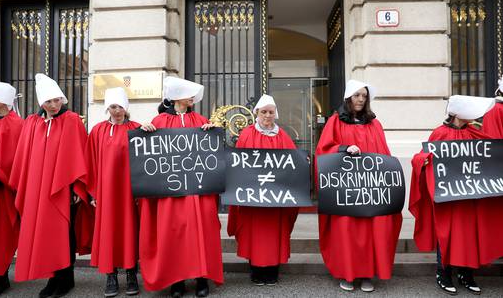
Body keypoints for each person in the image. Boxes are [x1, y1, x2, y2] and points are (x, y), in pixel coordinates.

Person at [9, 74, 93, 298]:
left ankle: (65, 278)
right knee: (45, 234)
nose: (54, 105)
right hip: (38, 190)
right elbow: (24, 157)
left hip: (63, 190)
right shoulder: (32, 123)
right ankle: (53, 277)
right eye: (48, 101)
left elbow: (79, 154)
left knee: (64, 235)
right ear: (41, 103)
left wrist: (76, 187)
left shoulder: (72, 120)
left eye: (57, 100)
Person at [409, 95, 503, 295]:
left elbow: (491, 153)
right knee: (446, 236)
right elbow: (420, 156)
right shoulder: (439, 133)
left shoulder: (473, 132)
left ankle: (466, 275)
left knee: (468, 236)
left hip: (467, 199)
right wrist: (424, 160)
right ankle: (443, 274)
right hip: (447, 200)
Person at [139, 77, 223, 297]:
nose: (193, 98)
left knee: (201, 233)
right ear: (177, 97)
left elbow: (212, 154)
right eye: (189, 94)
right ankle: (176, 280)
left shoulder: (201, 119)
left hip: (198, 191)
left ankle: (202, 277)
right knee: (173, 235)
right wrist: (145, 130)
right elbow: (149, 153)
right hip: (171, 193)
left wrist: (212, 132)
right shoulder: (159, 121)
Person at [315, 80, 402, 292]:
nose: (361, 99)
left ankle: (367, 275)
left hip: (370, 191)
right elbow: (323, 150)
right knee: (346, 231)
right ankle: (347, 273)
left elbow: (383, 154)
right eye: (357, 95)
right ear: (348, 98)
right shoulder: (335, 122)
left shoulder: (375, 124)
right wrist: (344, 148)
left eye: (364, 96)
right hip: (346, 192)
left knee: (373, 231)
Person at [227, 94, 298, 286]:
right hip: (254, 200)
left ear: (276, 114)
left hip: (275, 199)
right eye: (264, 112)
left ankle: (273, 270)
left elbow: (293, 162)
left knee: (274, 234)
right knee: (255, 234)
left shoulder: (282, 135)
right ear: (257, 113)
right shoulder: (247, 134)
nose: (267, 115)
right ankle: (256, 270)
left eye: (271, 112)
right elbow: (238, 164)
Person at [86, 88, 140, 297]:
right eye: (112, 107)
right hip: (106, 192)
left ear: (125, 108)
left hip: (129, 191)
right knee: (109, 231)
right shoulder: (98, 131)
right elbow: (90, 162)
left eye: (119, 106)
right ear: (107, 108)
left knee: (129, 230)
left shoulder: (136, 129)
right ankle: (110, 275)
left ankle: (131, 273)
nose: (116, 111)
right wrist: (93, 193)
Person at [0, 82, 23, 298]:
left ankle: (0, 278)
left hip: (0, 191)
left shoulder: (15, 124)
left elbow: (11, 159)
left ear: (4, 101)